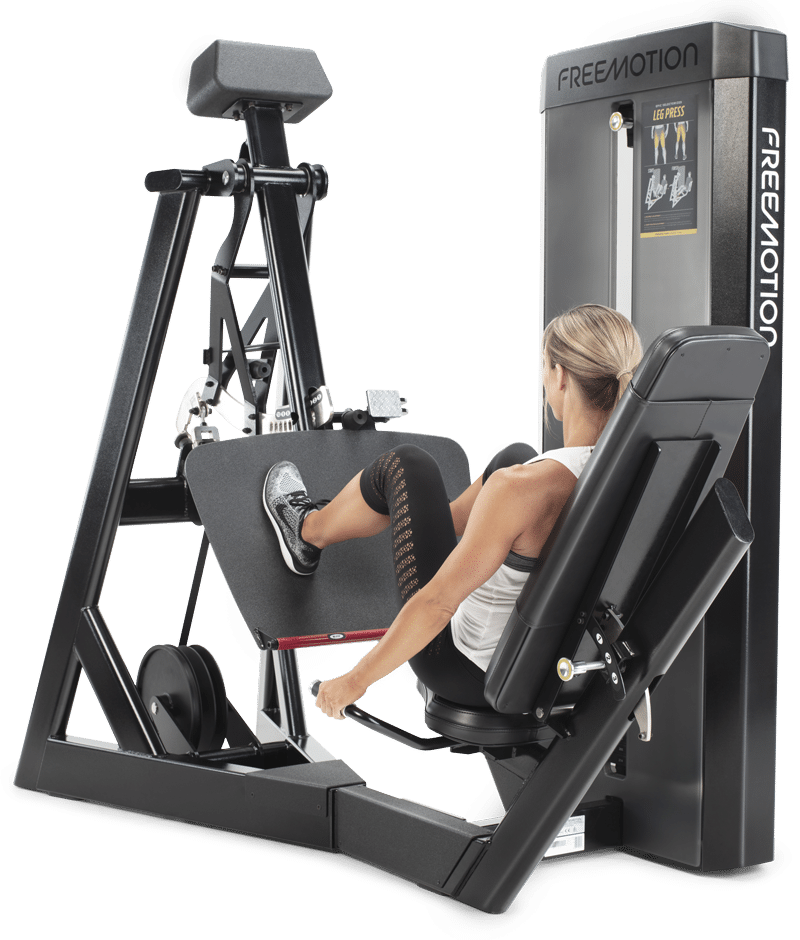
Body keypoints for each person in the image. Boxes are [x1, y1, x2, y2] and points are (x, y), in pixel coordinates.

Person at [263, 305, 642, 720]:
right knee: (514, 454)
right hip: (557, 668)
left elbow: (437, 605)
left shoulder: (522, 489)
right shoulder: (638, 474)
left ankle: (306, 531)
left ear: (561, 376)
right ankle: (423, 522)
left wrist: (353, 682)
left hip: (465, 669)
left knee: (408, 466)